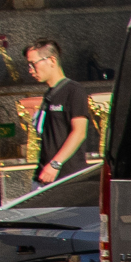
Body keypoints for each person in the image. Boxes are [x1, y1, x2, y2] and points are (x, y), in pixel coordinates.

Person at [26, 40, 95, 186]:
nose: (30, 70)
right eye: (29, 65)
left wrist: (55, 164)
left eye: (33, 64)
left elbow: (79, 132)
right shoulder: (49, 95)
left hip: (67, 177)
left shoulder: (74, 91)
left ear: (51, 60)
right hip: (44, 176)